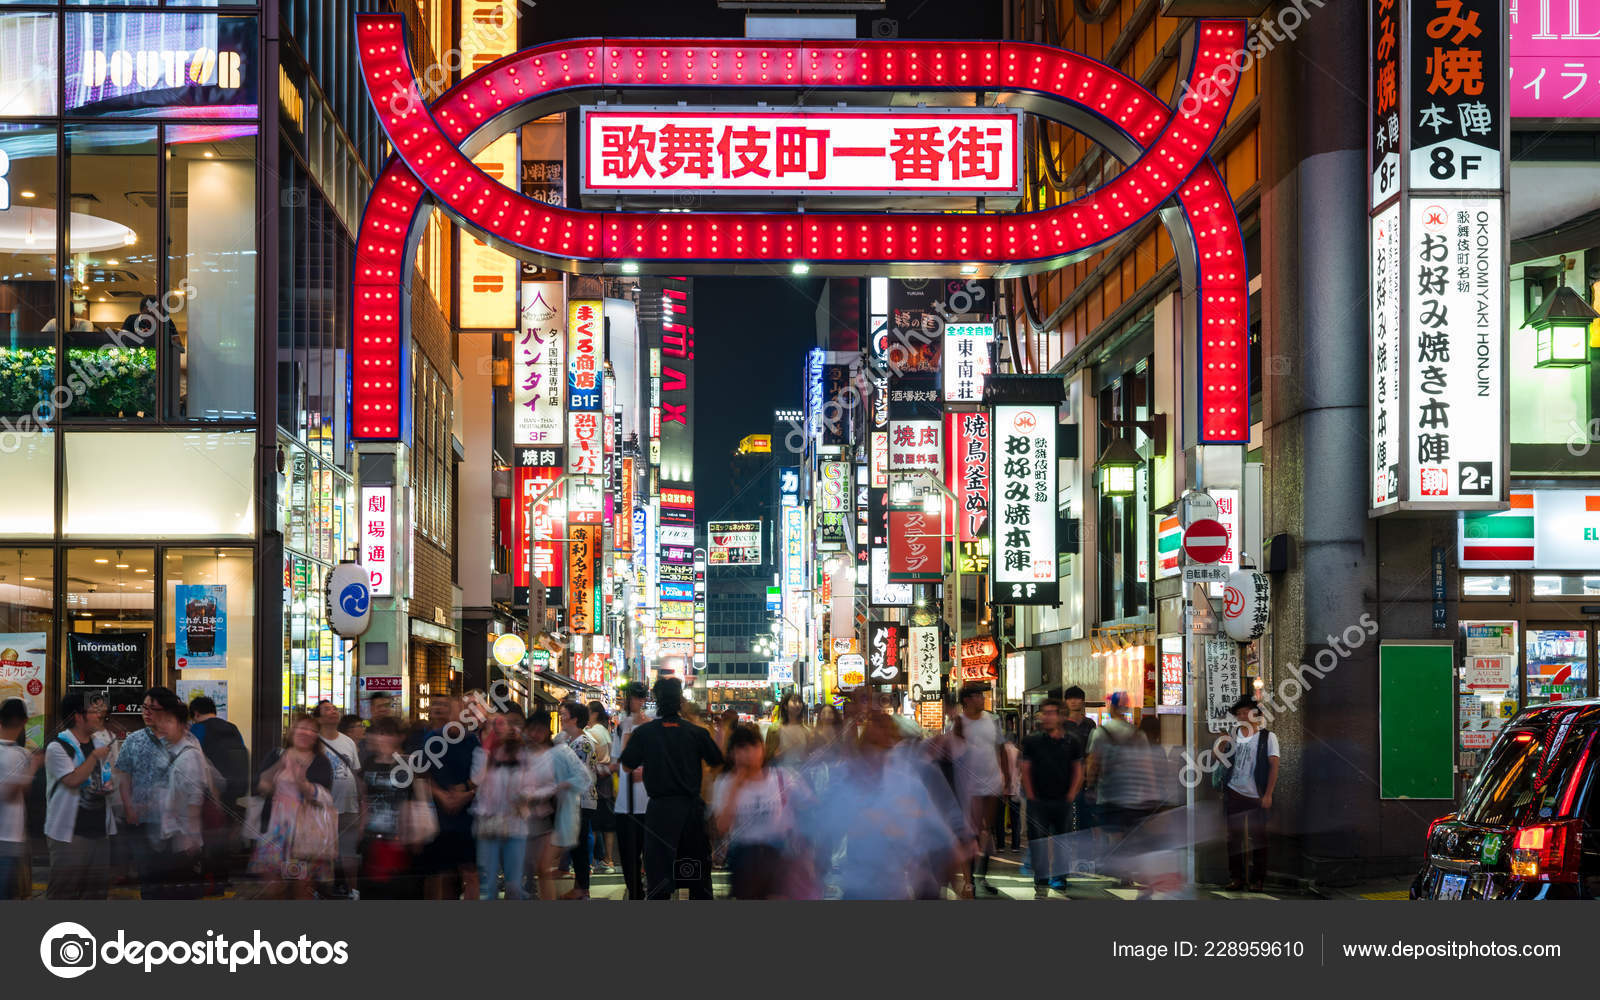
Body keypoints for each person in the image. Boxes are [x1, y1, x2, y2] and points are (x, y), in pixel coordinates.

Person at [617, 676, 724, 899]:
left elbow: (626, 765)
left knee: (659, 879)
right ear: (680, 702)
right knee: (697, 879)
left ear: (656, 700)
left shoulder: (645, 733)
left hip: (659, 812)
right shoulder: (696, 733)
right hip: (691, 812)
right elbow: (717, 761)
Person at [250, 715, 335, 899]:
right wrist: (281, 764)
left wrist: (301, 782)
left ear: (317, 737)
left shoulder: (321, 762)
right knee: (274, 888)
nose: (306, 733)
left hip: (304, 834)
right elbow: (260, 786)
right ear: (292, 731)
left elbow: (324, 796)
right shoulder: (277, 754)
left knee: (301, 888)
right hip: (275, 830)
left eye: (312, 730)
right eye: (301, 727)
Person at [405, 695, 479, 900]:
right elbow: (423, 773)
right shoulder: (432, 739)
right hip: (439, 814)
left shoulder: (472, 740)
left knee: (470, 871)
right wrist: (441, 796)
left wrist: (466, 794)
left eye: (458, 710)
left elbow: (480, 774)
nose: (454, 714)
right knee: (442, 873)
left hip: (467, 813)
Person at [44, 694, 117, 898]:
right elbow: (73, 780)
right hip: (70, 835)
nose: (99, 716)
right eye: (94, 712)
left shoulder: (99, 744)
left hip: (100, 832)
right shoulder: (57, 747)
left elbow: (105, 776)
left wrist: (109, 785)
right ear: (78, 716)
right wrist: (94, 757)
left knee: (96, 894)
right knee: (63, 893)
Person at [712, 724, 793, 899]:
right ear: (732, 754)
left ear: (762, 749)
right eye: (741, 749)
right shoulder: (724, 783)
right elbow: (721, 827)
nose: (747, 754)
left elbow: (807, 807)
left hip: (777, 855)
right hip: (743, 859)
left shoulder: (781, 777)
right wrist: (735, 786)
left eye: (752, 747)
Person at [944, 683, 1009, 897]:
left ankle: (982, 876)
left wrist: (1006, 778)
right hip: (968, 787)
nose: (982, 698)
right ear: (967, 700)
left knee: (986, 832)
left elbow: (1001, 748)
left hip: (992, 782)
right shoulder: (958, 723)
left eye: (982, 695)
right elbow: (951, 754)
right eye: (978, 695)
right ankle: (970, 880)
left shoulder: (993, 720)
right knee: (970, 833)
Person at [113, 685, 175, 898]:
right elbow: (124, 775)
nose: (147, 712)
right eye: (144, 707)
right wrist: (129, 808)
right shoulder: (134, 739)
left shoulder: (179, 740)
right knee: (147, 878)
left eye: (153, 708)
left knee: (171, 879)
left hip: (171, 821)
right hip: (141, 820)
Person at [149, 694, 212, 899]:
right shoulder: (169, 749)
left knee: (181, 893)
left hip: (184, 841)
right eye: (162, 721)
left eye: (169, 721)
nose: (163, 726)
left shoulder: (190, 754)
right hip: (169, 834)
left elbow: (195, 799)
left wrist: (191, 837)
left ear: (183, 725)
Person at [1020, 698, 1084, 897]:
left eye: (1051, 713)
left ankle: (1059, 878)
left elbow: (1078, 770)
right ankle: (1041, 880)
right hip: (1038, 800)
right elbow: (1025, 769)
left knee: (1062, 842)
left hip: (1063, 799)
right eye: (1044, 713)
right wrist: (1031, 796)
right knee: (1038, 842)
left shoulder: (1072, 741)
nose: (1046, 717)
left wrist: (1071, 794)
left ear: (1061, 716)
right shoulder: (1032, 741)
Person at [1214, 695, 1279, 892]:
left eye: (1246, 712)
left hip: (1256, 795)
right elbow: (1220, 758)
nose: (1242, 716)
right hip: (1234, 793)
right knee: (1234, 838)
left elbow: (1274, 766)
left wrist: (1268, 794)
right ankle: (1237, 878)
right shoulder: (1233, 735)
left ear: (1256, 714)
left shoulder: (1268, 737)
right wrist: (1219, 748)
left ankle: (1257, 880)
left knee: (1259, 838)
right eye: (1239, 713)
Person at [471, 713, 535, 900]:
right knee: (489, 884)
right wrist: (488, 750)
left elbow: (530, 784)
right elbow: (476, 779)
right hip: (488, 824)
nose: (496, 729)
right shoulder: (480, 753)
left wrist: (524, 796)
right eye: (491, 725)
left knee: (513, 884)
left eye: (500, 724)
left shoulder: (521, 753)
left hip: (515, 823)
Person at [187, 696, 247, 892]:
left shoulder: (197, 729)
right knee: (223, 834)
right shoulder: (232, 728)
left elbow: (194, 760)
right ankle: (222, 877)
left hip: (209, 793)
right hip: (233, 790)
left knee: (207, 836)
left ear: (195, 713)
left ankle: (208, 877)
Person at [532, 713, 592, 900]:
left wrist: (560, 786)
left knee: (542, 867)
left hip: (559, 818)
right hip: (538, 818)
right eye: (531, 730)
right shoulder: (528, 753)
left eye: (539, 730)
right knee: (539, 868)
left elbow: (584, 778)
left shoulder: (561, 751)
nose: (535, 734)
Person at [356, 717, 416, 899]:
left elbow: (410, 801)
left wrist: (405, 836)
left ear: (399, 738)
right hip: (372, 836)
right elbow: (364, 799)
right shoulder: (368, 763)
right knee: (371, 890)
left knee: (395, 890)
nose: (382, 739)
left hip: (397, 838)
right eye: (379, 734)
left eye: (388, 734)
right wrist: (361, 830)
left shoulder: (407, 762)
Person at [314, 699, 362, 898]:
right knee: (323, 852)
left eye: (334, 708)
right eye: (327, 709)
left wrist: (362, 802)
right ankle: (321, 891)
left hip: (349, 806)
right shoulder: (313, 741)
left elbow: (356, 772)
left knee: (349, 852)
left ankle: (353, 890)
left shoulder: (348, 741)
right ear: (318, 718)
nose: (333, 711)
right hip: (322, 809)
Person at [611, 681, 652, 900]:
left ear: (642, 699)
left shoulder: (650, 724)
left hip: (648, 799)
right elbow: (618, 760)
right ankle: (636, 892)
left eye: (634, 697)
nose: (629, 701)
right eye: (627, 697)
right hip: (627, 802)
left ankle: (646, 890)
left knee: (648, 853)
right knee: (629, 855)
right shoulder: (621, 725)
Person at [555, 700, 598, 899]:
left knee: (579, 845)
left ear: (574, 718)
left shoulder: (583, 743)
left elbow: (576, 774)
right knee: (575, 844)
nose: (561, 718)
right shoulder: (567, 740)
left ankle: (582, 889)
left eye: (563, 714)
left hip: (582, 800)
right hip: (573, 800)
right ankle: (579, 887)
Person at [0, 699, 42, 898]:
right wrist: (33, 768)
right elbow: (9, 792)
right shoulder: (20, 755)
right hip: (8, 839)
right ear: (25, 721)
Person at [1060, 686, 1098, 834]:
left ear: (1082, 701)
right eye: (1070, 698)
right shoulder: (1062, 724)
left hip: (1086, 778)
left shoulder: (1090, 724)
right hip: (1065, 777)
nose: (1073, 701)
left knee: (1085, 819)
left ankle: (1084, 854)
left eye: (1077, 698)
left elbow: (1093, 752)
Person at [584, 701, 615, 873]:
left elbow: (588, 758)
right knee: (608, 825)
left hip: (596, 782)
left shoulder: (592, 732)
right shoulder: (604, 731)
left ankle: (590, 861)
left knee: (594, 825)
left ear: (594, 714)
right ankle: (607, 859)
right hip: (607, 782)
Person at [766, 693, 811, 768]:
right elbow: (767, 755)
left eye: (800, 702)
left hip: (802, 772)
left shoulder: (806, 730)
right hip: (781, 772)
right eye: (794, 701)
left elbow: (808, 754)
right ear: (785, 706)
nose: (797, 704)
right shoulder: (774, 729)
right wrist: (778, 754)